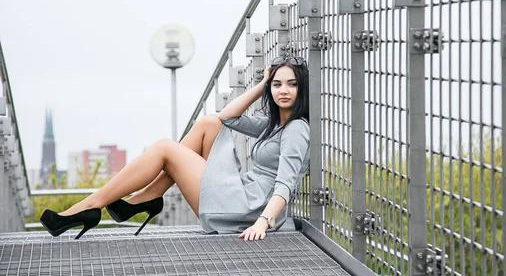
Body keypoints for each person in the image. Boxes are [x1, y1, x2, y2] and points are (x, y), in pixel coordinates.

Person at [40, 56, 310, 241]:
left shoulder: (297, 128)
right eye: (277, 84)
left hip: (248, 209)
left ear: (303, 89)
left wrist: (263, 222)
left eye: (291, 84)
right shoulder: (274, 125)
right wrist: (262, 84)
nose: (282, 90)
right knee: (208, 123)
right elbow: (227, 117)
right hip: (243, 195)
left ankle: (91, 205)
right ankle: (148, 195)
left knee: (165, 149)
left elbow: (284, 184)